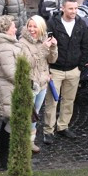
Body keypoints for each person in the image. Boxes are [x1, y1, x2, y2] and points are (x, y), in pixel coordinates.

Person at [43, 0, 88, 142]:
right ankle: (48, 131)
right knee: (52, 102)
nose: (74, 11)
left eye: (76, 8)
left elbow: (85, 47)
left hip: (73, 70)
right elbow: (46, 47)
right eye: (71, 9)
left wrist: (80, 67)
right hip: (55, 70)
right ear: (63, 8)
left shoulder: (81, 24)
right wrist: (48, 69)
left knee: (69, 101)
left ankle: (63, 126)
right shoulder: (52, 23)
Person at [0, 15, 24, 169]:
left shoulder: (7, 43)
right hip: (8, 88)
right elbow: (11, 72)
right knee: (10, 122)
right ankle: (2, 157)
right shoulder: (4, 47)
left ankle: (3, 155)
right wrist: (26, 82)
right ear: (6, 29)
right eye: (13, 26)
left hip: (10, 87)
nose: (15, 28)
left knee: (9, 123)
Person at [18, 15, 58, 153]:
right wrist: (43, 48)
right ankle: (21, 143)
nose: (32, 29)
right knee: (26, 114)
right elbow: (28, 63)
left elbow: (52, 60)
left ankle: (30, 142)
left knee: (34, 114)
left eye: (35, 26)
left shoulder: (44, 39)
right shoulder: (22, 43)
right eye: (30, 26)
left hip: (42, 83)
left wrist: (53, 47)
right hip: (29, 83)